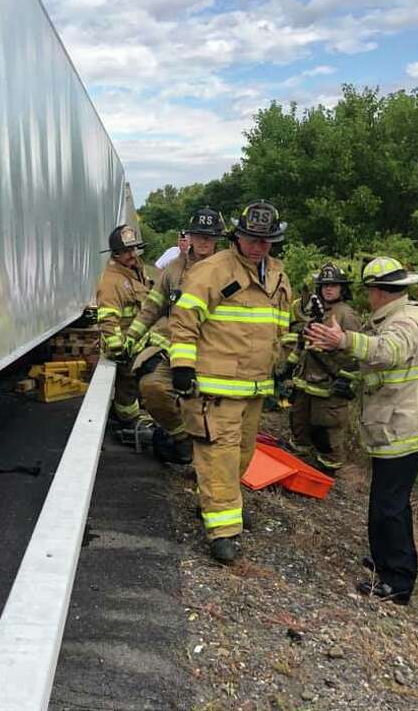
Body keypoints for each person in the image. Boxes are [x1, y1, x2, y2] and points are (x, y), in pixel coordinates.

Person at [305, 257, 418, 605]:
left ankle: (398, 581)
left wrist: (344, 340)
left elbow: (387, 351)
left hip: (403, 430)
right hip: (394, 427)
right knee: (386, 502)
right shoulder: (395, 317)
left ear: (378, 291)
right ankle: (385, 561)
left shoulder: (405, 323)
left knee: (389, 506)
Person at [169, 200, 292, 564]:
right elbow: (183, 320)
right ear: (238, 236)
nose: (258, 246)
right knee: (219, 458)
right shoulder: (212, 271)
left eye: (266, 240)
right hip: (215, 388)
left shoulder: (277, 275)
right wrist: (182, 367)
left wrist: (282, 367)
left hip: (253, 388)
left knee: (241, 456)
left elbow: (280, 326)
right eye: (252, 238)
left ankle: (220, 505)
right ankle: (223, 532)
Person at [126, 208, 226, 463]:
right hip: (177, 347)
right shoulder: (173, 269)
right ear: (189, 236)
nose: (204, 241)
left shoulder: (227, 270)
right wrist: (130, 338)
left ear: (218, 239)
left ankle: (208, 454)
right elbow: (152, 306)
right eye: (199, 235)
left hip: (216, 349)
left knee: (211, 407)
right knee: (153, 387)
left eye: (210, 236)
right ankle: (182, 438)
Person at [284, 263, 362, 471]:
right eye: (325, 285)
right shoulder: (315, 311)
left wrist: (346, 380)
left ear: (342, 288)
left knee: (326, 432)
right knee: (299, 424)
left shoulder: (346, 315)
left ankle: (327, 469)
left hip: (329, 387)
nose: (329, 289)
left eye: (334, 285)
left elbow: (355, 355)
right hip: (305, 382)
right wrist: (287, 369)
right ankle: (298, 464)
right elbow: (302, 342)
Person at [96, 225, 151, 427]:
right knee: (128, 388)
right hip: (125, 349)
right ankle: (127, 420)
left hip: (139, 342)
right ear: (116, 254)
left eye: (133, 249)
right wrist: (119, 351)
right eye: (126, 251)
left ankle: (130, 414)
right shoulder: (111, 282)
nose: (132, 255)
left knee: (136, 386)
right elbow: (108, 320)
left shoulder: (135, 270)